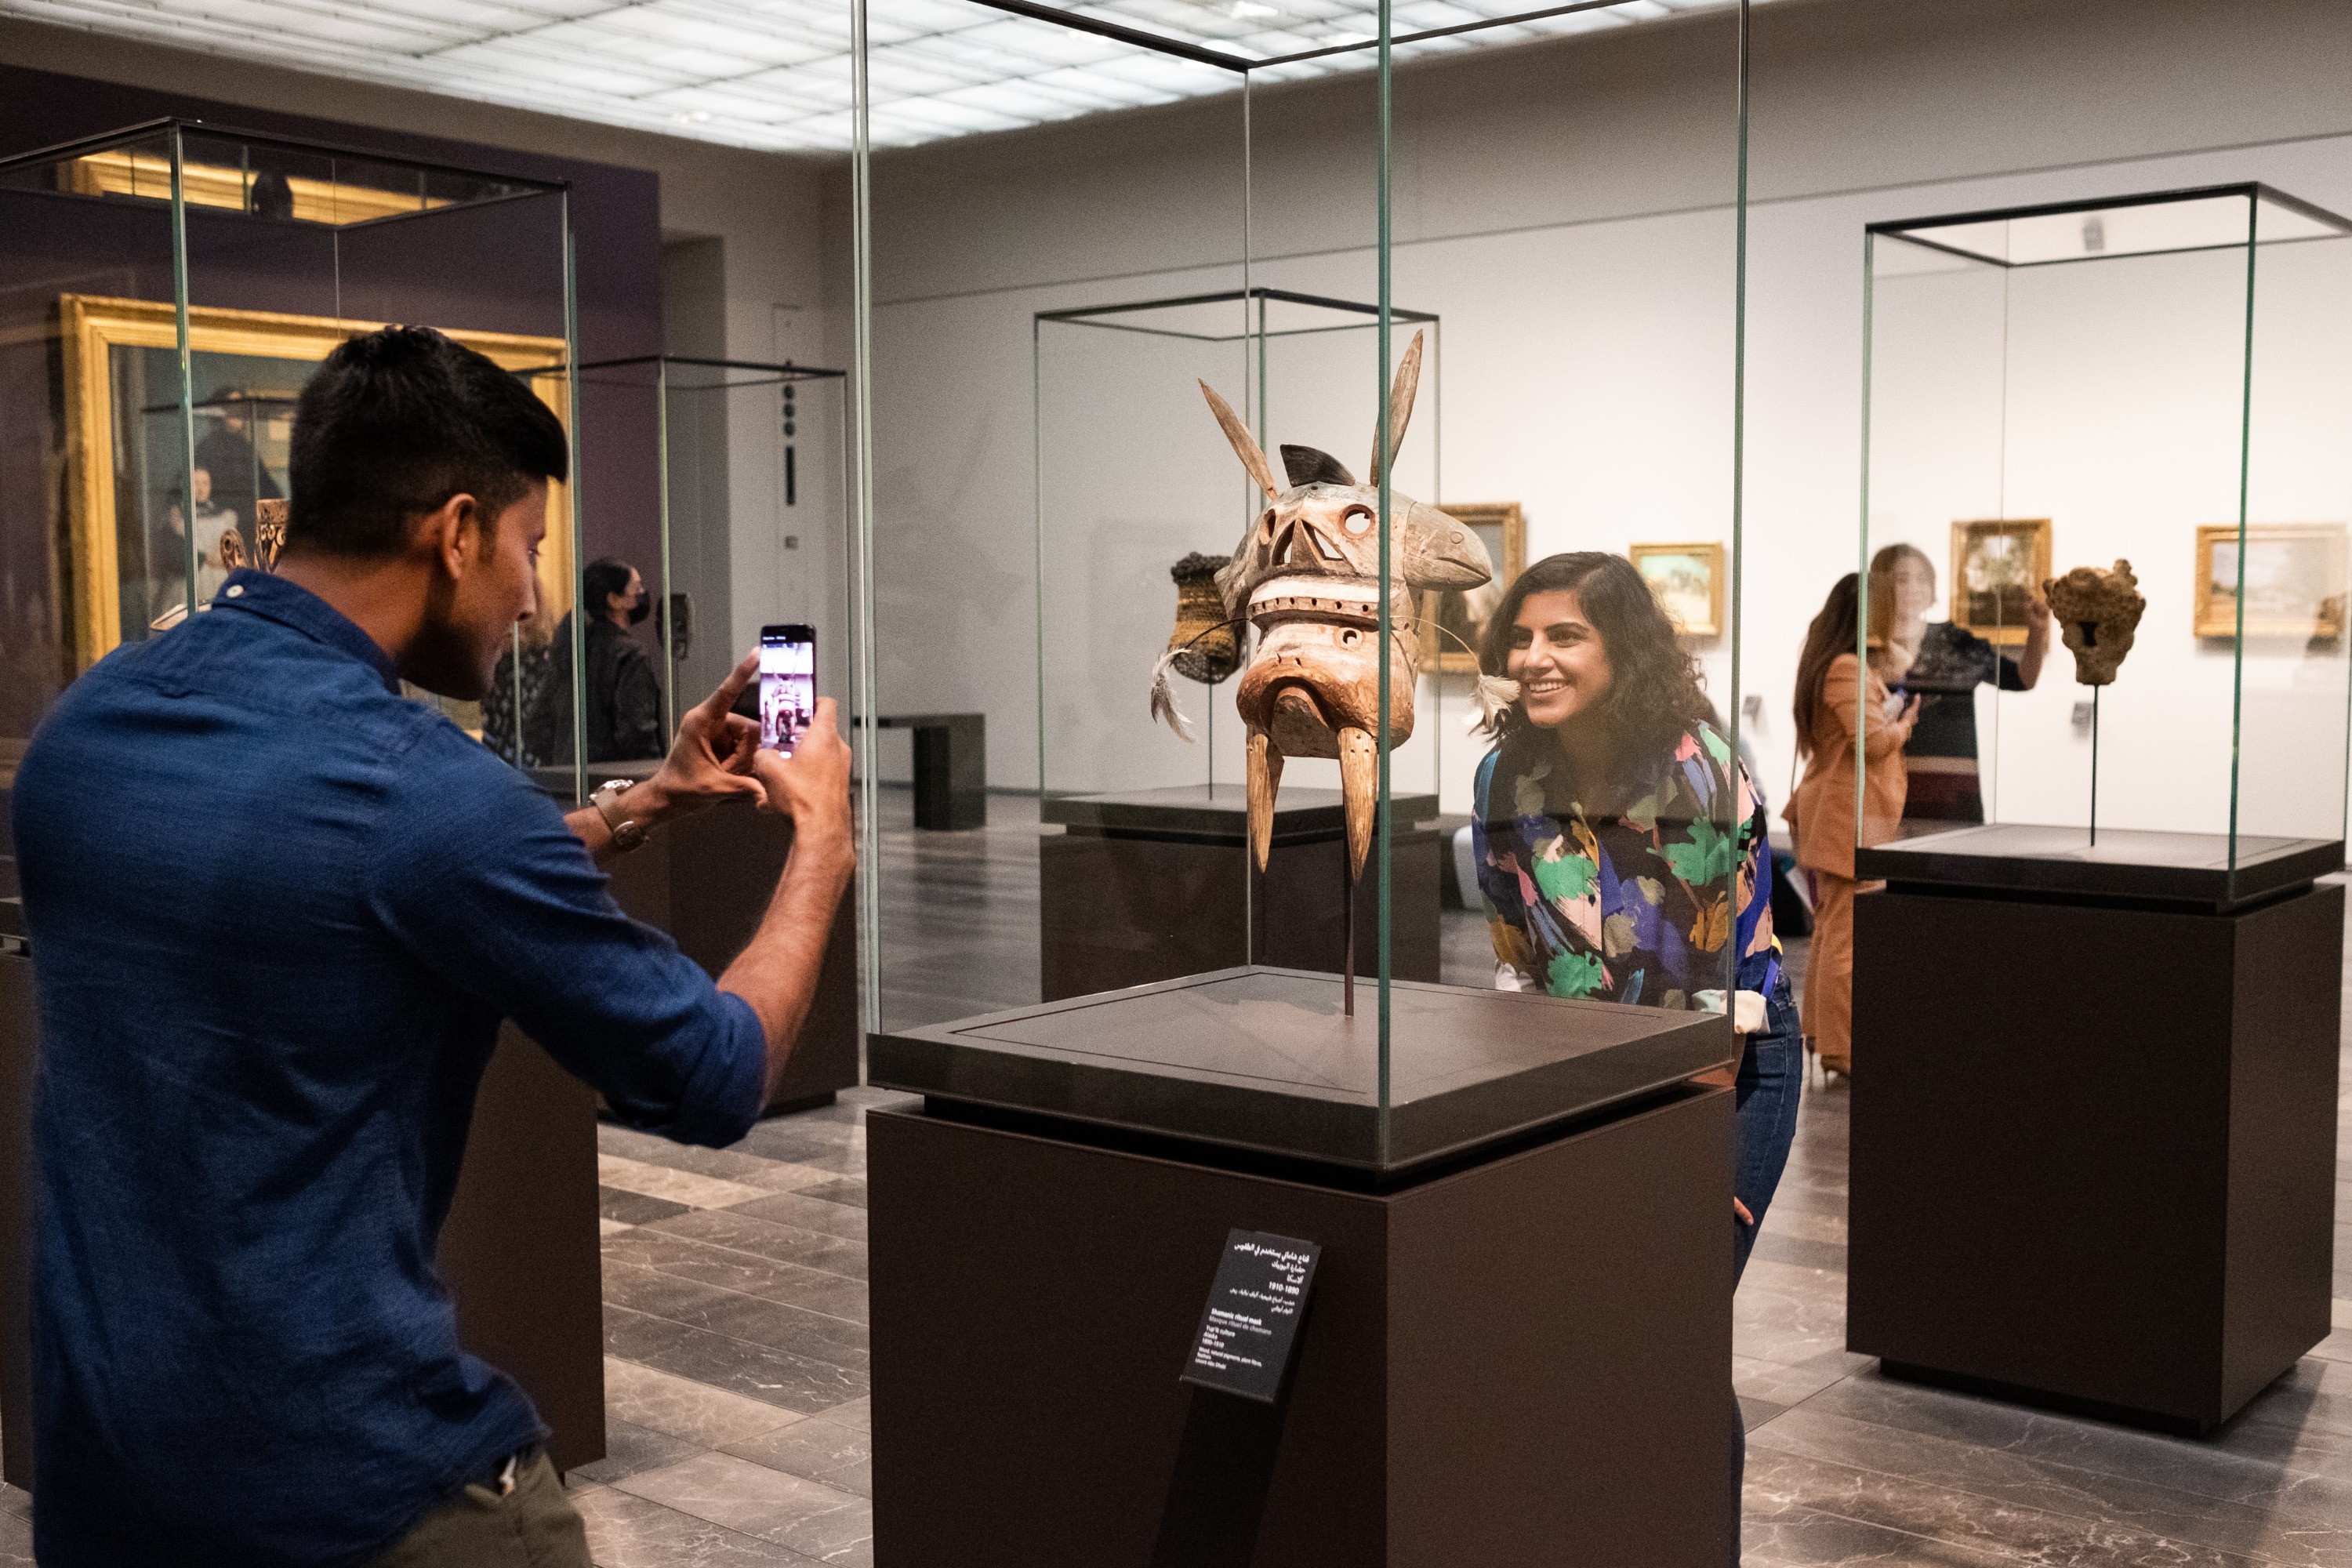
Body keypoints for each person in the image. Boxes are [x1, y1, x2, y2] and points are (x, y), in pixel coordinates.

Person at [10, 325, 855, 1566]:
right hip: (350, 1488)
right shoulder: (423, 791)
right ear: (454, 531)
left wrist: (638, 808)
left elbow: (335, 883)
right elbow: (715, 1074)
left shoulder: (89, 727)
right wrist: (821, 843)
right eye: (525, 550)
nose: (529, 598)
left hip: (106, 1484)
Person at [1470, 551, 1800, 1563]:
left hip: (1720, 1073)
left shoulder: (1692, 765)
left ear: (1624, 647)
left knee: (1670, 1329)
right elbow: (1516, 943)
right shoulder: (1505, 771)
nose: (1535, 657)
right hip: (1591, 1070)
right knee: (1598, 1334)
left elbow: (1677, 988)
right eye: (1522, 637)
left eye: (1565, 636)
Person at [1783, 572, 1918, 1077]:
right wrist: (1905, 720)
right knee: (1845, 939)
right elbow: (1874, 742)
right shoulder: (1845, 668)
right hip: (1847, 821)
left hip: (1846, 819)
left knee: (1833, 932)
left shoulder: (1841, 664)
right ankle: (1841, 1048)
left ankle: (1824, 1037)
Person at [1870, 542, 2048, 825]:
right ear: (1879, 587)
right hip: (1881, 792)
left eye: (1922, 579)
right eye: (1902, 579)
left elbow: (2022, 679)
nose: (1914, 588)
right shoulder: (1866, 649)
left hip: (1952, 794)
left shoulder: (1954, 641)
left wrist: (2036, 633)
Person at [529, 557, 664, 763]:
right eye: (636, 588)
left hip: (568, 778)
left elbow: (538, 726)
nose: (642, 594)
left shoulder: (570, 648)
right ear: (614, 600)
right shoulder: (629, 655)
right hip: (616, 781)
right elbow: (638, 734)